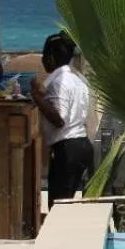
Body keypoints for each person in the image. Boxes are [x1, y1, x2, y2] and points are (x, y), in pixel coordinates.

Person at [32, 32, 93, 207]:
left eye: (44, 56)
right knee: (65, 202)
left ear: (51, 58)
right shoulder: (77, 80)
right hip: (81, 143)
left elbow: (59, 119)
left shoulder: (60, 82)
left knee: (58, 205)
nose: (43, 60)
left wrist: (36, 97)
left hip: (67, 148)